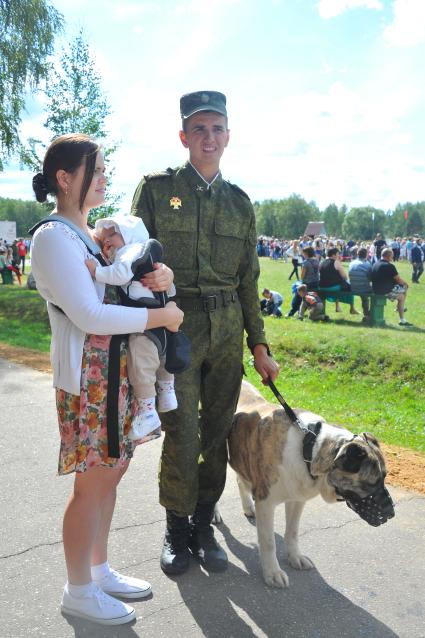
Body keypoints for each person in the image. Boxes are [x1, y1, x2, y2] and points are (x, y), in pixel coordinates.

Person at [30, 133, 184, 626]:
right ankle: (78, 589)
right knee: (92, 483)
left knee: (111, 474)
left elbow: (130, 279)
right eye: (94, 170)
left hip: (114, 372)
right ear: (65, 178)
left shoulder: (90, 233)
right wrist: (160, 319)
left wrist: (164, 281)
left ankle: (97, 569)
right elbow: (91, 314)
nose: (103, 178)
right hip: (88, 377)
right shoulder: (52, 236)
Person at [131, 90, 279, 576]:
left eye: (217, 129)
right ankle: (176, 527)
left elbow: (248, 279)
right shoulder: (155, 190)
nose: (208, 137)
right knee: (183, 430)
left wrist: (259, 345)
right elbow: (130, 259)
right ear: (184, 136)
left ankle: (203, 526)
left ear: (228, 136)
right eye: (199, 129)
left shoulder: (240, 203)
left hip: (226, 330)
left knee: (217, 433)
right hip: (176, 326)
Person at [85, 214, 178, 441]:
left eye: (112, 235)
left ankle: (148, 411)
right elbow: (171, 290)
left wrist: (97, 271)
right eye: (105, 236)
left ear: (128, 235)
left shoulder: (130, 252)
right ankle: (167, 392)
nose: (107, 240)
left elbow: (120, 274)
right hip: (161, 314)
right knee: (163, 356)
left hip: (145, 320)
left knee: (141, 361)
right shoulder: (142, 252)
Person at [371, 248, 411, 326]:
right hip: (385, 292)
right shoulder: (390, 266)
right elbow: (398, 280)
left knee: (402, 290)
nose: (392, 258)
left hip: (375, 289)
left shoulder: (375, 264)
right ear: (389, 256)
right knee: (403, 292)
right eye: (392, 256)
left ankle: (398, 308)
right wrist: (406, 284)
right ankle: (402, 320)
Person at [319, 247, 359, 315]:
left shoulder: (322, 262)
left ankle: (337, 307)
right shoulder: (336, 262)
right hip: (332, 287)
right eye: (338, 254)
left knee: (339, 284)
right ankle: (352, 308)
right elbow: (345, 277)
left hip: (321, 286)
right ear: (333, 255)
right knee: (350, 287)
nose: (339, 255)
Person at [348, 247, 373, 321]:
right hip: (363, 289)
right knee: (376, 292)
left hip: (352, 288)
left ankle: (366, 314)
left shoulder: (351, 263)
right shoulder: (367, 265)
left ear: (357, 254)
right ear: (366, 255)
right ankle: (367, 314)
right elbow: (371, 279)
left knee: (364, 294)